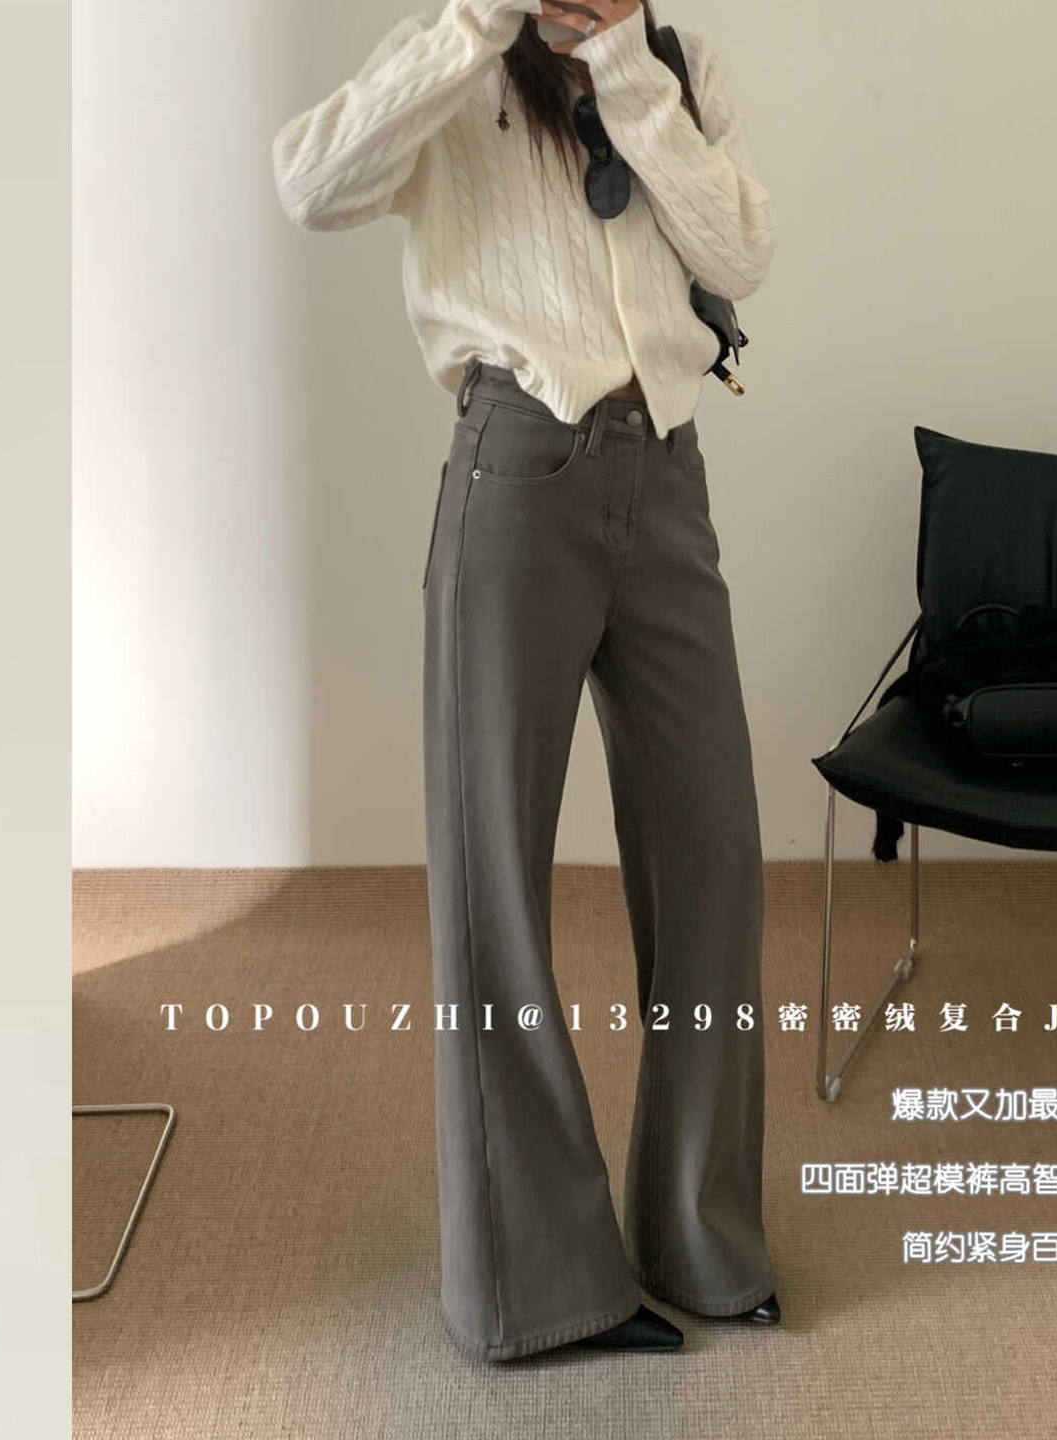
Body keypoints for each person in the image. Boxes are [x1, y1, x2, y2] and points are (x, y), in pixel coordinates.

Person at [271, 0, 779, 1362]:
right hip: (515, 471)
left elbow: (740, 251)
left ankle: (702, 1236)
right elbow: (311, 182)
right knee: (493, 874)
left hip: (666, 475)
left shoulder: (675, 62)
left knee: (714, 858)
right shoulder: (457, 54)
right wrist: (474, 25)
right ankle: (534, 1288)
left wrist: (620, 62)